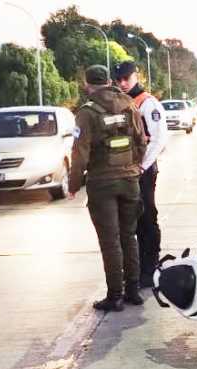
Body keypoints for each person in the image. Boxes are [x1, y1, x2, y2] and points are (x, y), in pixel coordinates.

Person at [68, 65, 148, 311]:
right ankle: (133, 291)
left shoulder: (87, 112)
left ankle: (115, 296)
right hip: (129, 181)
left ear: (87, 83)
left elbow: (79, 152)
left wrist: (73, 184)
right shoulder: (129, 105)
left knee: (110, 241)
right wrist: (134, 167)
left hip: (102, 183)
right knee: (129, 235)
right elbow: (141, 140)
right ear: (110, 81)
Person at [112, 61, 168, 290]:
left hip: (142, 173)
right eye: (119, 79)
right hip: (124, 172)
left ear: (136, 76)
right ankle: (134, 270)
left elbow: (158, 140)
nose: (123, 83)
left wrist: (142, 168)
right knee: (128, 224)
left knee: (146, 220)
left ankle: (150, 269)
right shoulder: (119, 102)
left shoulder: (148, 103)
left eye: (127, 78)